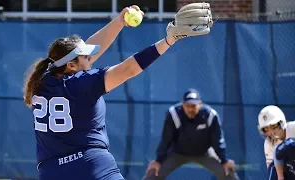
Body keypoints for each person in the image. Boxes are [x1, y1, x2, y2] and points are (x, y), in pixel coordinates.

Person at [22, 3, 213, 180]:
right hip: (91, 166)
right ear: (71, 65)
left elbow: (85, 51)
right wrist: (168, 41)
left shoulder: (42, 79)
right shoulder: (81, 84)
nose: (91, 59)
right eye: (87, 58)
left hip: (51, 172)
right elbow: (128, 69)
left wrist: (119, 22)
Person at [143, 89, 239, 180]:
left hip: (204, 153)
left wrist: (225, 160)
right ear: (182, 104)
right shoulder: (174, 114)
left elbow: (217, 140)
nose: (190, 109)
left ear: (200, 104)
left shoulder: (210, 115)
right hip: (177, 153)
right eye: (187, 105)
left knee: (227, 172)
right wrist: (158, 160)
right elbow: (166, 139)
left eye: (193, 106)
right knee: (154, 172)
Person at [258, 105, 295, 180]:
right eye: (266, 129)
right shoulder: (269, 143)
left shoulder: (293, 127)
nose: (271, 132)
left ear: (282, 122)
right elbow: (272, 170)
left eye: (273, 126)